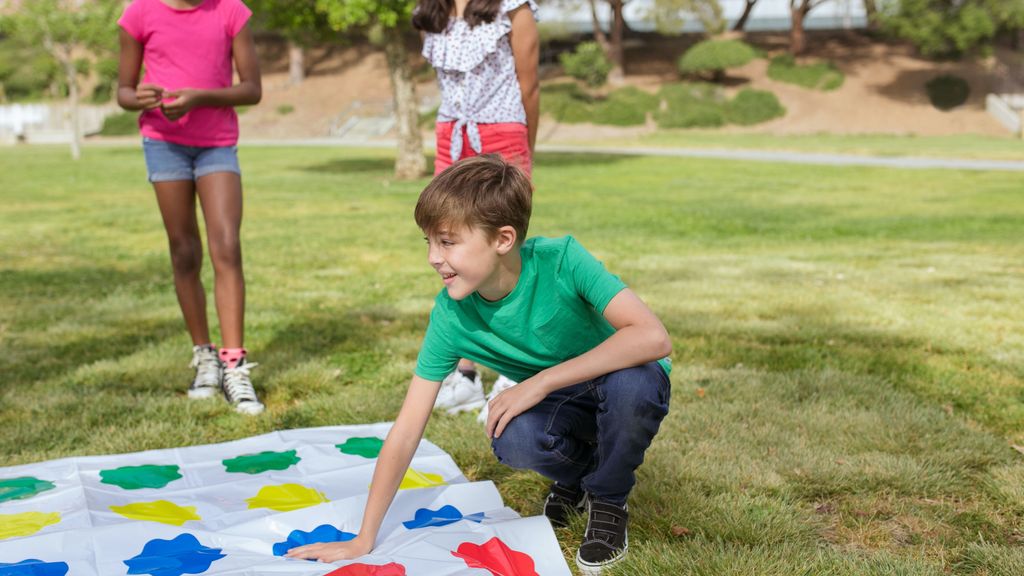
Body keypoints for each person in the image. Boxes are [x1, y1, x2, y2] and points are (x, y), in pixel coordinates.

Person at [286, 156, 672, 573]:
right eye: (429, 242)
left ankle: (609, 499)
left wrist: (540, 382)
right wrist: (364, 538)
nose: (434, 257)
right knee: (514, 436)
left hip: (620, 382)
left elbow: (653, 337)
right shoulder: (450, 316)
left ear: (503, 239)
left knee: (635, 383)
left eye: (448, 242)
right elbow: (407, 429)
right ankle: (578, 479)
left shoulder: (562, 260)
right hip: (564, 406)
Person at [116, 0, 265, 415]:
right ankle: (205, 359)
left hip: (216, 143)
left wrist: (200, 98)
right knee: (184, 251)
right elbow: (124, 93)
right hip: (164, 144)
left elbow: (252, 88)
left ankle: (234, 366)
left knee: (226, 246)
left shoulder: (231, 11)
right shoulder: (139, 15)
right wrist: (138, 98)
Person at [413, 0, 541, 418]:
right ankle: (466, 375)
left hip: (503, 132)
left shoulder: (513, 8)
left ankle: (515, 368)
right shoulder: (432, 11)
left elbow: (530, 86)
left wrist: (527, 153)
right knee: (454, 251)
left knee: (504, 253)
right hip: (451, 134)